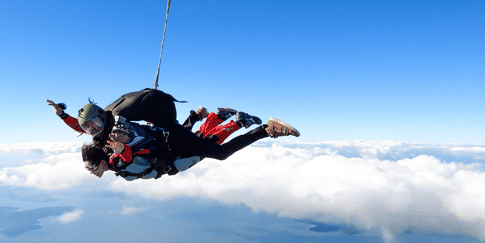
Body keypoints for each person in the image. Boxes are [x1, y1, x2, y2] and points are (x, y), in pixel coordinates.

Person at [47, 90, 299, 180]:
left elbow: (129, 148)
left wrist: (124, 149)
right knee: (202, 142)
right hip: (164, 141)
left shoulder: (115, 133)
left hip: (171, 140)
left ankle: (267, 129)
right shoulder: (103, 131)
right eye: (88, 128)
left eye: (92, 125)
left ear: (101, 117)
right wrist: (61, 115)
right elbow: (79, 128)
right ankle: (211, 117)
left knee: (219, 153)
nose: (91, 130)